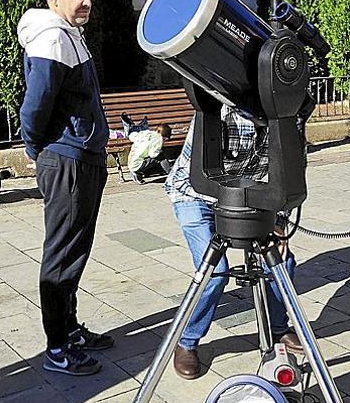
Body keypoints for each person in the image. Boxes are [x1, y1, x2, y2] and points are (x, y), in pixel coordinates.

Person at [18, 0, 114, 376]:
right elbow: (35, 105)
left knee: (76, 250)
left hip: (82, 156)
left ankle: (70, 330)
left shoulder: (70, 34)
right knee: (61, 255)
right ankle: (57, 347)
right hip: (67, 159)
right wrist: (37, 147)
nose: (87, 2)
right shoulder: (51, 38)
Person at [164, 105, 302, 380]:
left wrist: (279, 220)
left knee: (281, 262)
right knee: (214, 273)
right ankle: (187, 341)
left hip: (248, 196)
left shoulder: (291, 117)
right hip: (195, 195)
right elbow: (200, 172)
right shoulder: (221, 113)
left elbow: (290, 175)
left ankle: (277, 327)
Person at [123, 115, 172, 184]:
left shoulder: (146, 133)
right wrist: (159, 151)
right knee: (161, 157)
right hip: (138, 164)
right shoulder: (158, 139)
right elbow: (153, 154)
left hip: (131, 162)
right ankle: (171, 174)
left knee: (146, 158)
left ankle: (138, 173)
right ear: (165, 137)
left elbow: (131, 136)